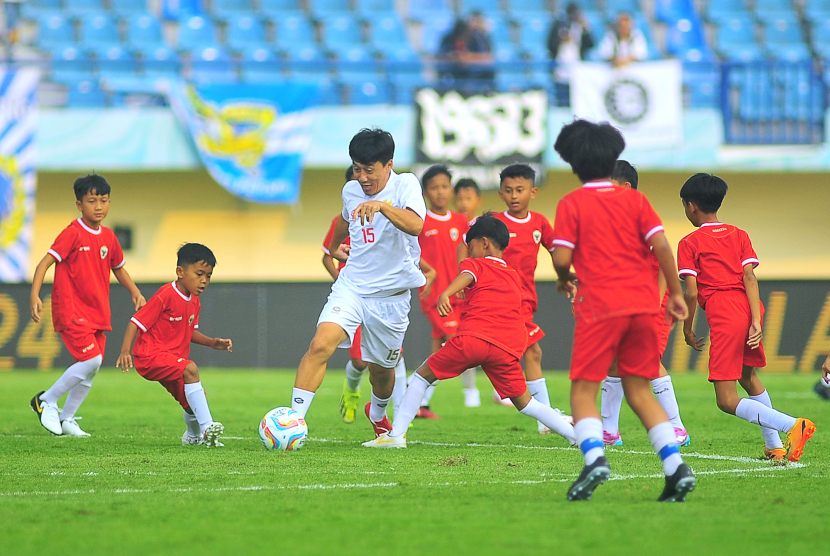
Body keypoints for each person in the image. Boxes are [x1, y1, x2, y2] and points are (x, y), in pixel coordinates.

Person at [552, 119, 695, 502]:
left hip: (600, 306)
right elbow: (663, 246)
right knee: (638, 388)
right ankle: (675, 467)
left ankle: (595, 458)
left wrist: (564, 275)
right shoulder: (636, 200)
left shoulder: (573, 203)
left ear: (573, 164)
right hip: (645, 307)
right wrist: (677, 294)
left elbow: (562, 254)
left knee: (582, 389)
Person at [362, 215, 575, 448]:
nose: (469, 251)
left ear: (484, 243)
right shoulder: (514, 276)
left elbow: (468, 275)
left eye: (470, 245)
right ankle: (575, 436)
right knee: (526, 403)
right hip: (507, 347)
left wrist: (446, 293)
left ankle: (396, 436)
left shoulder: (475, 263)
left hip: (473, 339)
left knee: (422, 376)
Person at [291, 128, 426, 440]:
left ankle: (377, 414)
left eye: (370, 170)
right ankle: (293, 424)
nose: (363, 177)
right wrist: (334, 247)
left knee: (381, 371)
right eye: (357, 168)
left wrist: (382, 207)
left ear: (388, 165)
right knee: (320, 344)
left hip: (391, 296)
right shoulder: (351, 190)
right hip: (352, 287)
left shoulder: (405, 184)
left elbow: (417, 225)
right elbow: (343, 218)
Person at [677, 173, 816, 462]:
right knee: (747, 376)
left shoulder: (689, 242)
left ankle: (793, 425)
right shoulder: (739, 234)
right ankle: (775, 446)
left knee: (726, 400)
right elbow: (749, 276)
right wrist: (755, 320)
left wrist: (687, 329)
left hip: (725, 310)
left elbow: (690, 292)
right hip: (749, 307)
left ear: (691, 206)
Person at [29, 174, 145, 437]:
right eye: (92, 201)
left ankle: (67, 419)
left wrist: (135, 292)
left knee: (92, 368)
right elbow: (44, 263)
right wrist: (35, 295)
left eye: (103, 200)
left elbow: (119, 268)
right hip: (71, 309)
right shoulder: (72, 233)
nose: (99, 206)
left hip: (97, 312)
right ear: (79, 204)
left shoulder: (109, 237)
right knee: (90, 359)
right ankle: (45, 400)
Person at [600, 160, 689, 448]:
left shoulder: (643, 219)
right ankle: (609, 432)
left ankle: (676, 427)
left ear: (625, 188)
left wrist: (658, 300)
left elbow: (665, 261)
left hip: (652, 304)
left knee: (649, 361)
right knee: (613, 361)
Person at [117, 243, 230, 447]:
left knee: (191, 403)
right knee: (191, 369)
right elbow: (136, 321)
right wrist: (125, 351)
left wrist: (212, 343)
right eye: (199, 273)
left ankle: (193, 437)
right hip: (150, 356)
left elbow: (189, 332)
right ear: (180, 271)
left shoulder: (194, 301)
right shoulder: (166, 295)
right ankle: (207, 428)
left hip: (172, 360)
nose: (204, 280)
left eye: (209, 275)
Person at [325, 167, 409, 423]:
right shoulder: (342, 218)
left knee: (393, 357)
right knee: (361, 362)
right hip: (353, 294)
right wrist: (341, 280)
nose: (362, 183)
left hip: (381, 295)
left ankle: (402, 412)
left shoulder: (386, 213)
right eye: (356, 179)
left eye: (367, 176)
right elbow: (327, 255)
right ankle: (351, 392)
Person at [493, 164, 564, 433]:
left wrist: (565, 277)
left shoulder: (540, 223)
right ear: (500, 193)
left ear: (532, 192)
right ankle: (546, 420)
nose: (514, 196)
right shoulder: (494, 222)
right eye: (508, 190)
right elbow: (468, 244)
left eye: (519, 190)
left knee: (517, 352)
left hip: (526, 300)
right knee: (533, 351)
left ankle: (419, 393)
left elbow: (557, 250)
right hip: (502, 300)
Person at [413, 165, 471, 417]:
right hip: (434, 295)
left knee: (439, 349)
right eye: (434, 187)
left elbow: (468, 255)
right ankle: (411, 390)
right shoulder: (420, 221)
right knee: (458, 341)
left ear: (451, 190)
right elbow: (410, 253)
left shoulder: (461, 221)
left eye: (444, 186)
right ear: (425, 192)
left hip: (458, 293)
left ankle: (420, 401)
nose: (440, 192)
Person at [453, 178, 484, 406]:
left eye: (469, 198)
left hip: (473, 290)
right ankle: (470, 391)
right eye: (460, 199)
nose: (464, 203)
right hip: (451, 290)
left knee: (468, 339)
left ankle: (473, 391)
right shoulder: (450, 224)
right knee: (458, 339)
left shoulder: (481, 227)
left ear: (478, 200)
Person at [547, 3, 595, 106]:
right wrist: (560, 40)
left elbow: (591, 44)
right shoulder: (558, 25)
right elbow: (549, 45)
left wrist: (586, 28)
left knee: (578, 103)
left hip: (578, 71)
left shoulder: (581, 27)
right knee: (562, 102)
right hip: (561, 69)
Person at [437, 11, 494, 90]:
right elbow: (439, 57)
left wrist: (469, 57)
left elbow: (488, 58)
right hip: (453, 77)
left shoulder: (477, 37)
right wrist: (452, 57)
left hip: (475, 79)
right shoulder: (448, 38)